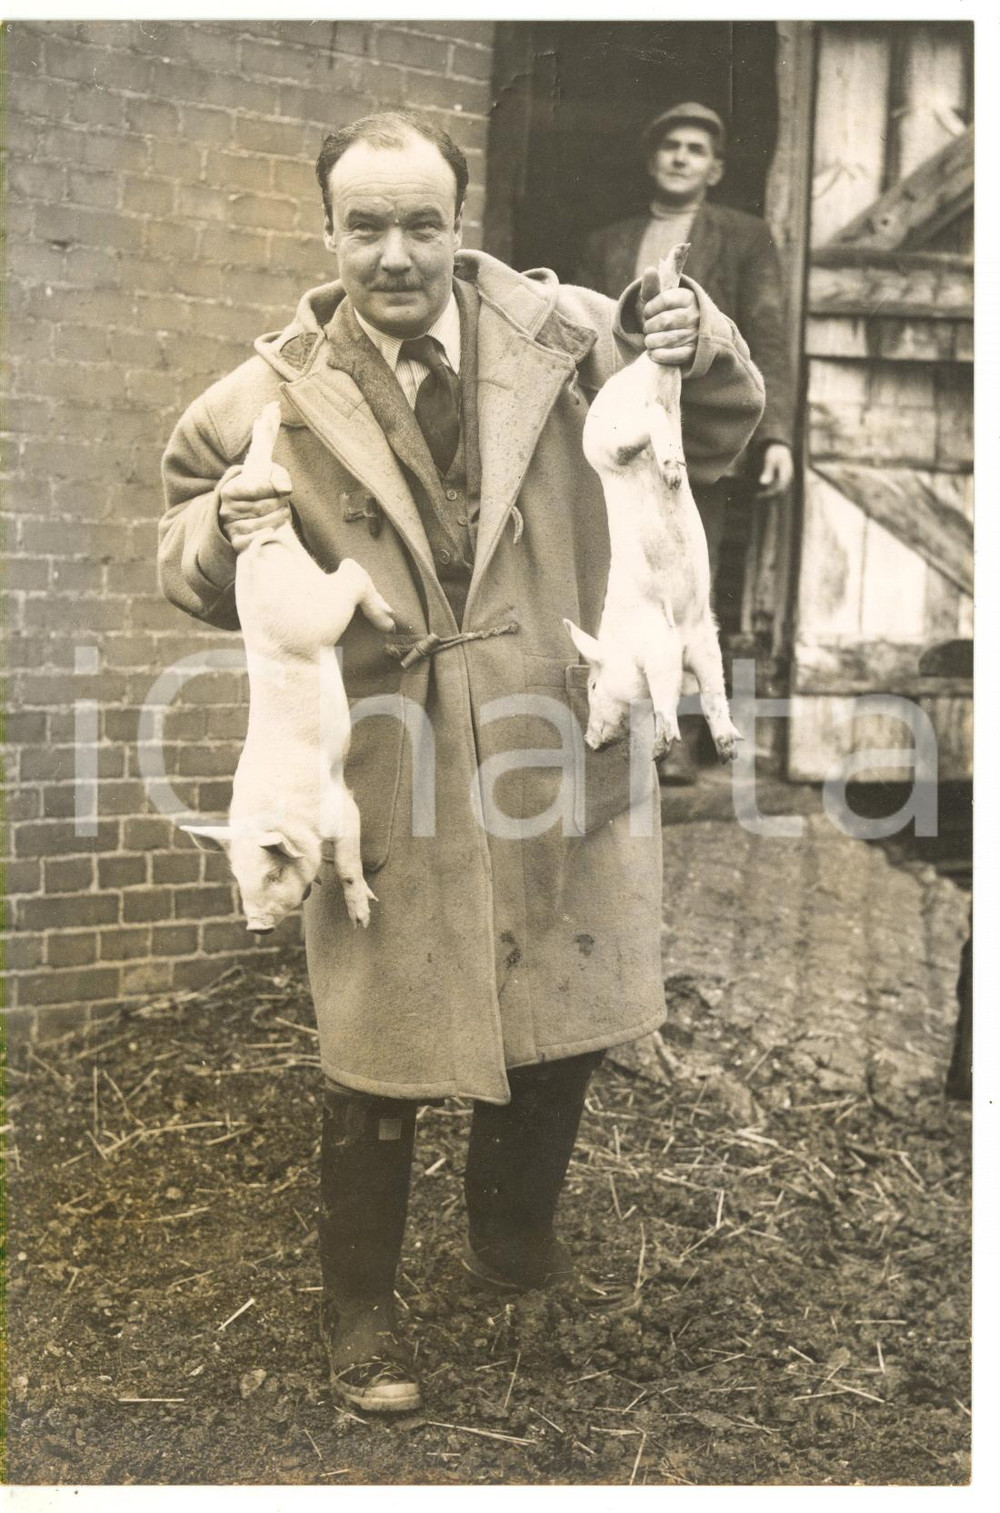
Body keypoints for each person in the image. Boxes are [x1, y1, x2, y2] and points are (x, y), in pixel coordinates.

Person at [158, 109, 764, 1415]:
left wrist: (695, 336)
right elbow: (186, 547)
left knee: (564, 1014)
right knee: (375, 1050)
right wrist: (229, 521)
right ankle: (359, 1312)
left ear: (460, 225)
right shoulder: (272, 390)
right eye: (365, 226)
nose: (395, 255)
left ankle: (509, 1227)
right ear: (326, 233)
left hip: (556, 727)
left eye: (422, 224)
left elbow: (701, 428)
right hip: (390, 756)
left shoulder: (572, 332)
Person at [578, 102, 794, 779]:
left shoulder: (744, 237)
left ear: (716, 168)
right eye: (669, 145)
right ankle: (630, 727)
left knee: (692, 591)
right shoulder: (607, 241)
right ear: (651, 160)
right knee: (613, 580)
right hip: (619, 436)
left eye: (696, 149)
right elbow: (581, 330)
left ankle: (689, 737)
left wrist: (778, 435)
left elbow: (767, 335)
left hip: (691, 438)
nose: (680, 156)